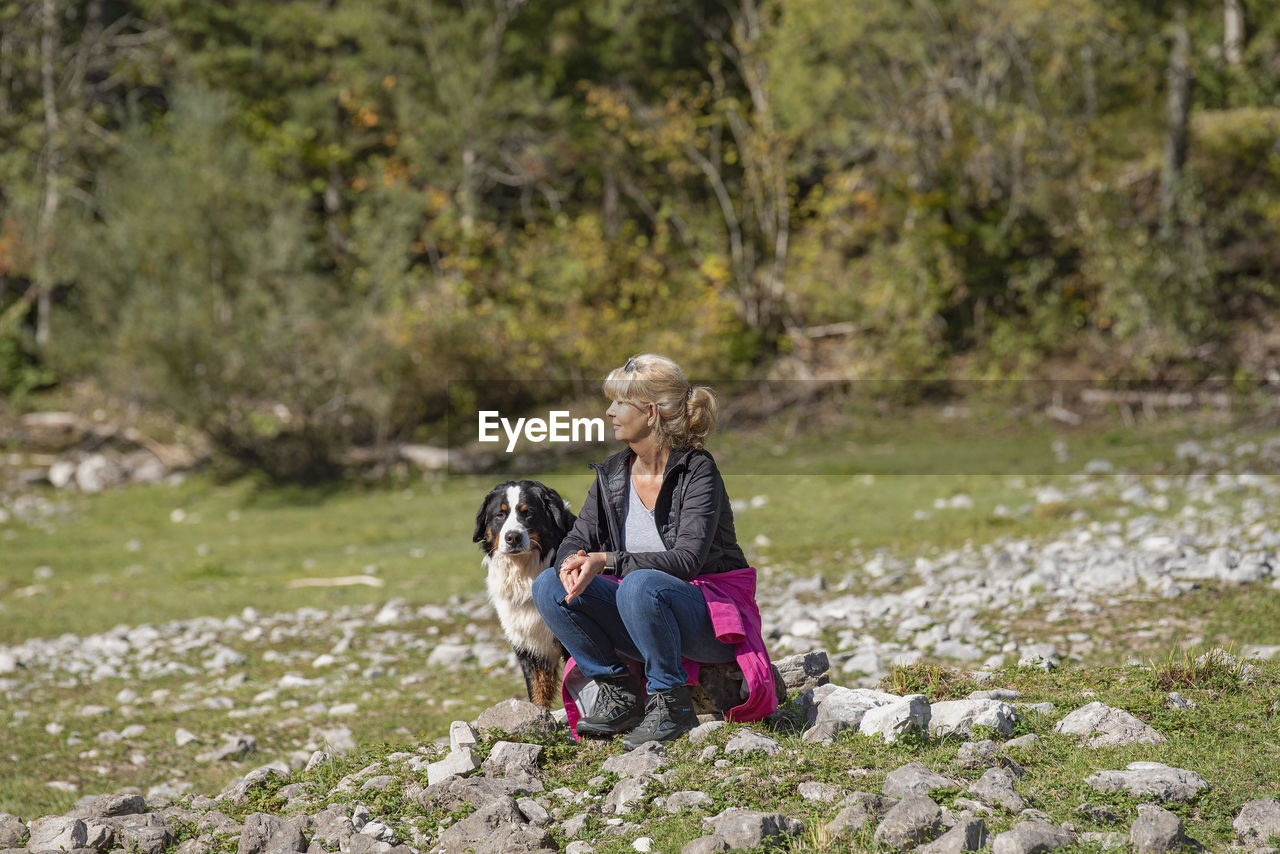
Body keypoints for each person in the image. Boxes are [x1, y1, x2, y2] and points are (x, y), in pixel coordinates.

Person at [532, 354, 775, 749]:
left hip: (709, 618)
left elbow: (687, 560)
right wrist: (571, 564)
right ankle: (618, 692)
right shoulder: (612, 473)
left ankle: (670, 703)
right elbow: (578, 538)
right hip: (641, 609)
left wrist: (607, 560)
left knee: (639, 583)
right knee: (547, 586)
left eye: (618, 403)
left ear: (648, 412)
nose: (609, 411)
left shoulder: (698, 471)